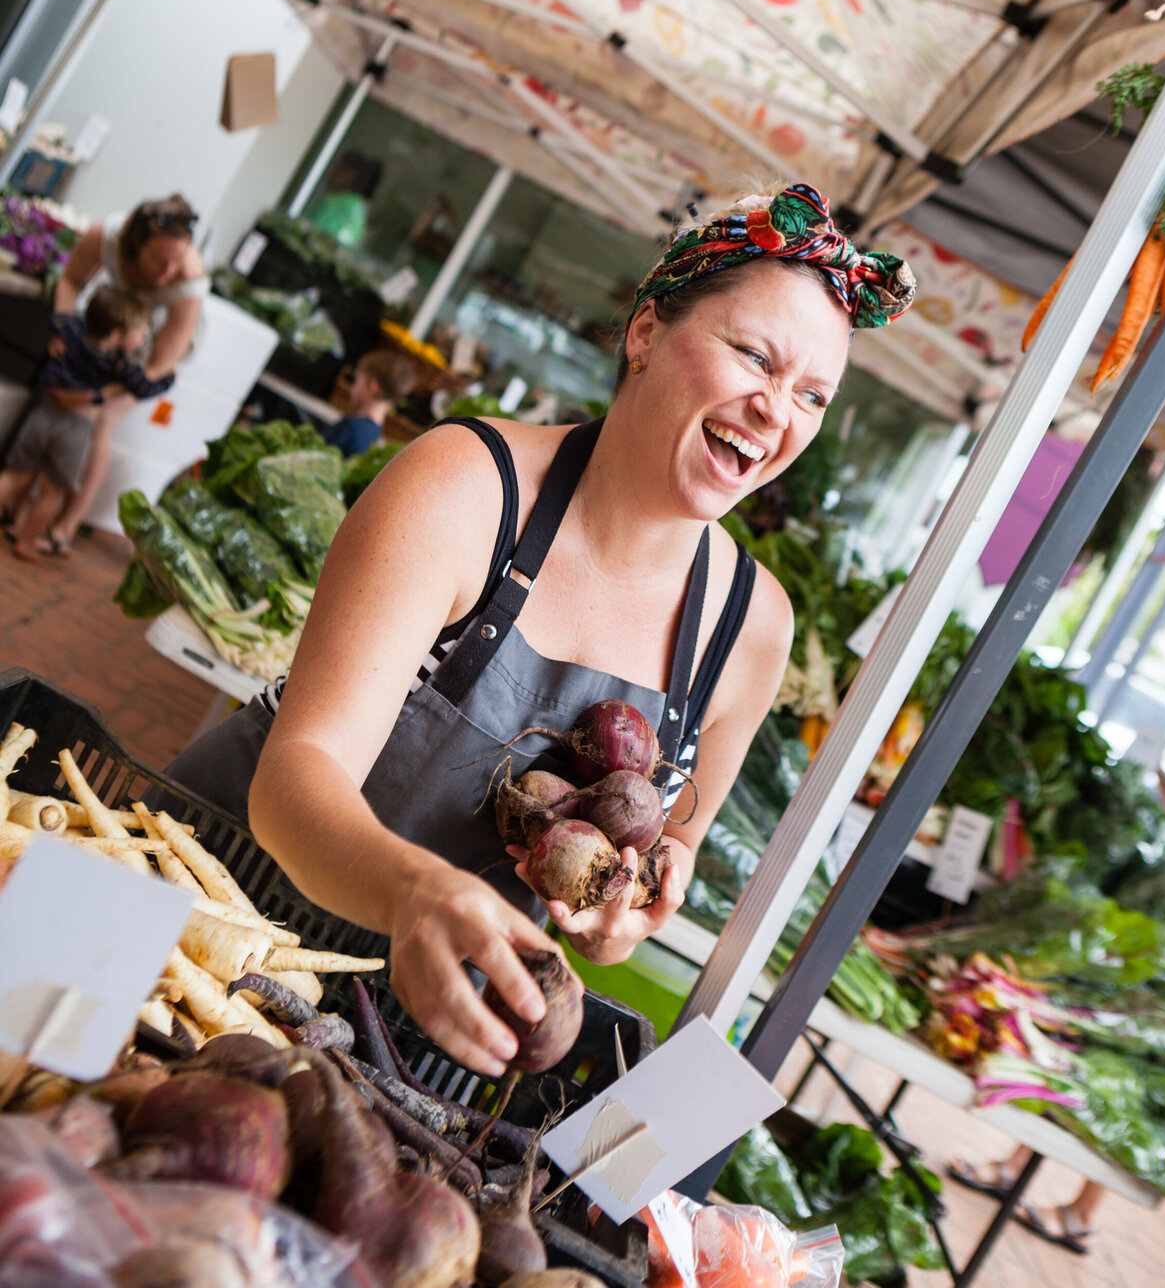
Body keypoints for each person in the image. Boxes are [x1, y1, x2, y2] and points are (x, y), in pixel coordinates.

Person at [165, 183, 915, 1075]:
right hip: (196, 927)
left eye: (813, 396)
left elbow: (666, 848)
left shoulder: (749, 629)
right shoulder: (469, 489)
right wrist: (415, 892)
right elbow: (295, 776)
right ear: (644, 334)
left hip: (411, 1038)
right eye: (754, 356)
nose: (776, 409)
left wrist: (625, 908)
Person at [948, 767, 1165, 1254]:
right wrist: (1161, 771)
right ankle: (1016, 1163)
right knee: (1088, 1060)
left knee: (1133, 1091)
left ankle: (1082, 1213)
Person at [50, 196, 208, 550]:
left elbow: (156, 368)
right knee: (56, 391)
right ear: (135, 245)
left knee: (101, 417)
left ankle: (64, 527)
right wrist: (64, 330)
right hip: (115, 328)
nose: (169, 273)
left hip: (156, 352)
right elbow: (71, 280)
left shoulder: (189, 281)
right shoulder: (104, 236)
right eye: (160, 262)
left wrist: (94, 395)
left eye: (177, 263)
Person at [0, 287, 174, 562]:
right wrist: (168, 376)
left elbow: (58, 319)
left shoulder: (70, 334)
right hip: (74, 428)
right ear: (116, 335)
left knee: (14, 475)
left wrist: (56, 336)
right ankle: (26, 542)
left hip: (43, 412)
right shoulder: (118, 365)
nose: (143, 339)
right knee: (53, 491)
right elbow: (144, 387)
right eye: (141, 332)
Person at [323, 349, 417, 458]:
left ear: (372, 387)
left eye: (357, 380)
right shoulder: (375, 432)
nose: (353, 386)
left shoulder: (351, 426)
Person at [308, 152, 382, 250]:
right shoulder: (360, 209)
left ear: (349, 175)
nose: (331, 172)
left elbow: (308, 236)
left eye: (338, 169)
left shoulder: (335, 203)